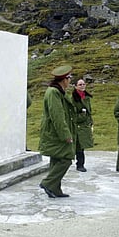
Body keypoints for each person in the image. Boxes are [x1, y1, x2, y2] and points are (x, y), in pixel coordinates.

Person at [38, 65, 76, 198]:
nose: (70, 81)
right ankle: (48, 183)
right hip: (55, 134)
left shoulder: (58, 91)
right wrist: (66, 135)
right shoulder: (54, 92)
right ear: (64, 79)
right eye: (69, 78)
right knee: (66, 159)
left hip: (54, 133)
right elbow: (57, 116)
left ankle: (55, 189)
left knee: (56, 159)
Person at [71, 78, 94, 172]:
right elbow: (73, 114)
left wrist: (90, 121)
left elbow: (89, 111)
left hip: (85, 125)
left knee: (82, 146)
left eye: (84, 84)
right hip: (78, 125)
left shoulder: (86, 97)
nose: (82, 86)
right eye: (80, 84)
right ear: (76, 86)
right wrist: (82, 115)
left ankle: (80, 164)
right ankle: (79, 164)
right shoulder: (73, 99)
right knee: (78, 146)